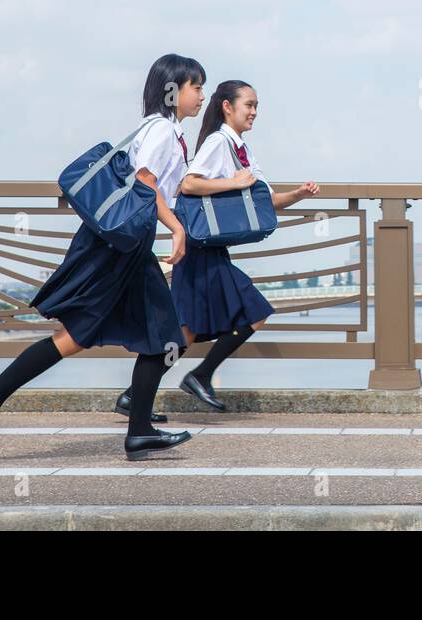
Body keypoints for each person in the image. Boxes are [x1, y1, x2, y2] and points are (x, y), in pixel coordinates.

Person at [0, 53, 206, 460]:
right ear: (172, 90)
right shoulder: (162, 132)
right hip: (122, 250)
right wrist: (177, 228)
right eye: (195, 86)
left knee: (106, 337)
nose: (201, 95)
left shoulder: (160, 130)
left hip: (124, 247)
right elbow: (146, 186)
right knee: (156, 338)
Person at [121, 79, 318, 413]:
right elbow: (190, 184)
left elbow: (264, 200)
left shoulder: (241, 147)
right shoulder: (218, 142)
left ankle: (138, 394)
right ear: (227, 107)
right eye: (249, 105)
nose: (254, 112)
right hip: (199, 247)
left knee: (192, 327)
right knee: (243, 314)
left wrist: (297, 195)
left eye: (256, 106)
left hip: (210, 248)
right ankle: (192, 378)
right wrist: (233, 182)